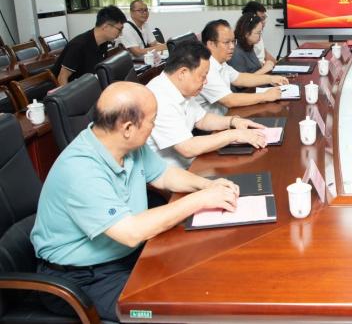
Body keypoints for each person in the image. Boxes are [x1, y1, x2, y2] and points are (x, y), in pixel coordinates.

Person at [30, 81, 242, 322]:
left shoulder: (125, 145)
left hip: (125, 256)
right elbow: (130, 232)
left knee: (201, 272)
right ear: (128, 128)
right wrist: (199, 200)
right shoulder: (81, 170)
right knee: (172, 312)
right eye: (152, 120)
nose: (154, 126)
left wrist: (207, 185)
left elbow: (165, 175)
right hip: (83, 278)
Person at [146, 40, 267, 169]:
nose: (206, 82)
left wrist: (233, 121)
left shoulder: (180, 88)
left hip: (190, 164)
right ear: (183, 73)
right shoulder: (158, 98)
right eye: (203, 76)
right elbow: (187, 148)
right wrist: (234, 135)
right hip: (172, 174)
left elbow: (202, 119)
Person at [197, 19, 287, 115]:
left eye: (233, 41)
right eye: (227, 42)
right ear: (210, 44)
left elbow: (240, 78)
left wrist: (271, 79)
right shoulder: (205, 67)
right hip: (211, 122)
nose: (232, 46)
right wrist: (265, 96)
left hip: (224, 116)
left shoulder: (220, 62)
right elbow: (229, 100)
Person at [51, 5, 125, 86]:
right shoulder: (78, 46)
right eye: (119, 29)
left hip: (88, 85)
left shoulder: (103, 42)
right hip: (73, 88)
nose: (121, 33)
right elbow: (62, 78)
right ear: (106, 26)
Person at [242, 1, 276, 66]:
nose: (264, 22)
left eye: (265, 17)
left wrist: (278, 64)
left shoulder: (257, 32)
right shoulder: (246, 37)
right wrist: (266, 67)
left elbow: (264, 52)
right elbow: (251, 64)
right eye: (262, 18)